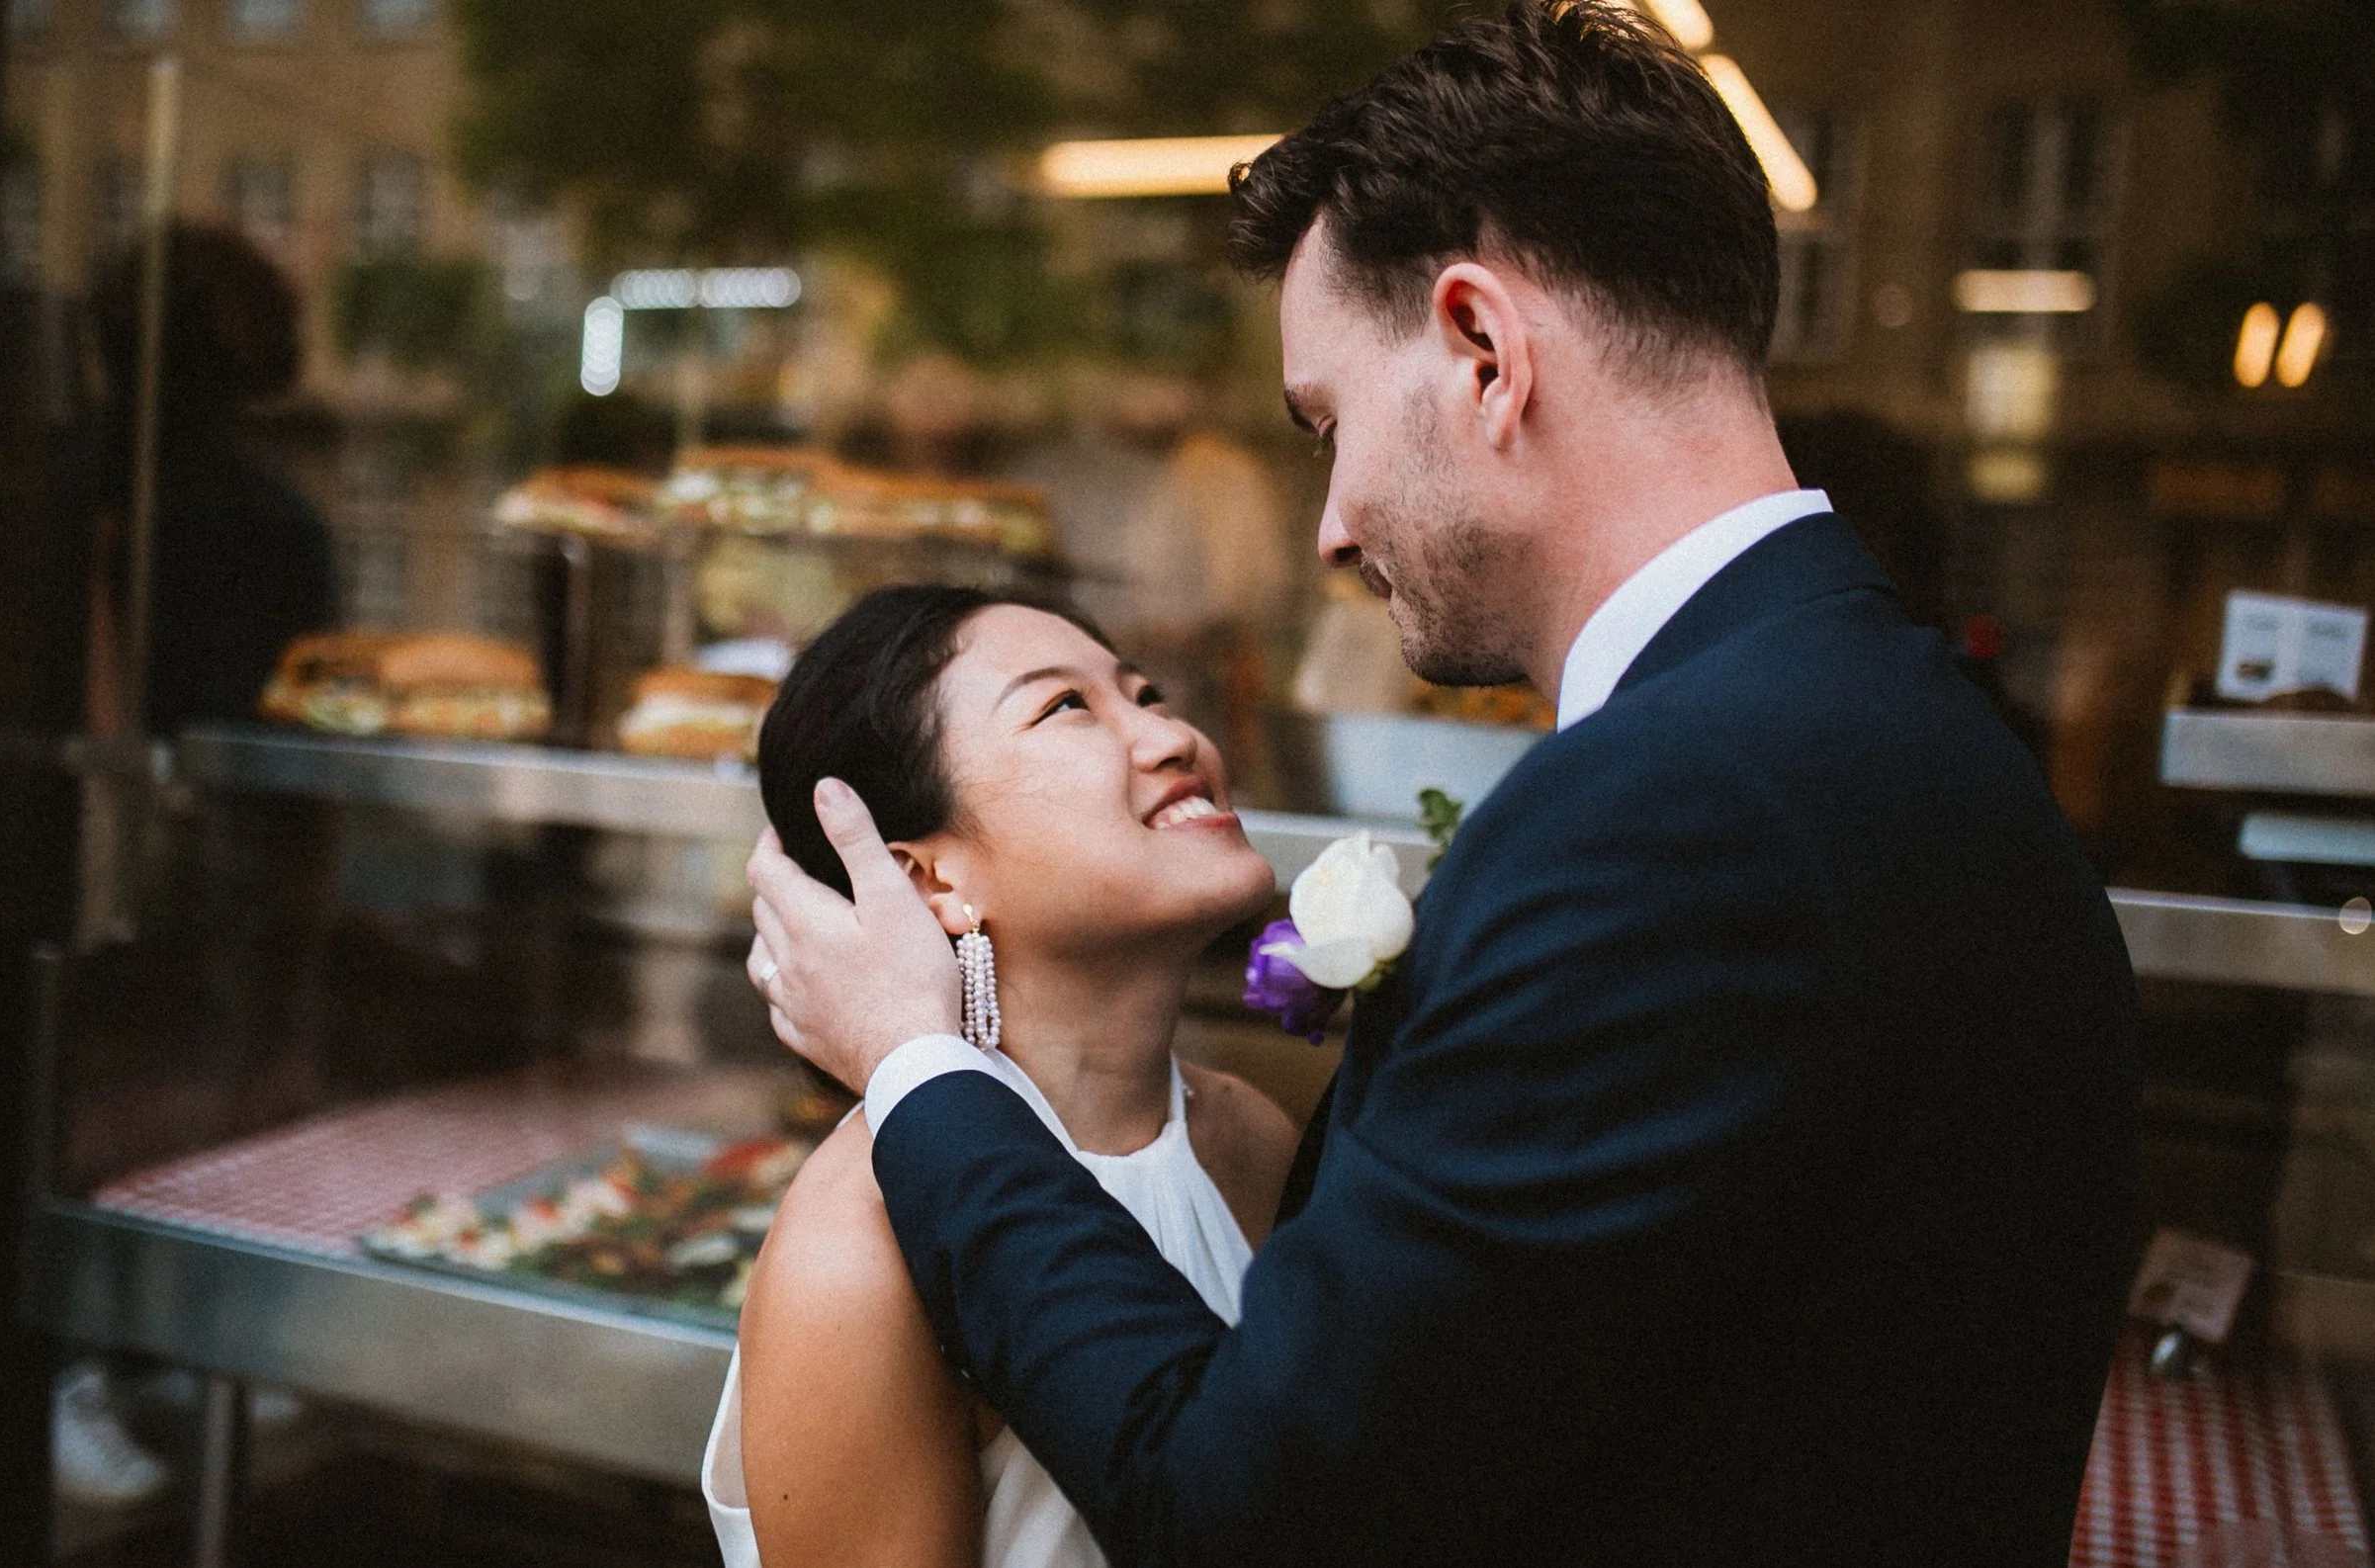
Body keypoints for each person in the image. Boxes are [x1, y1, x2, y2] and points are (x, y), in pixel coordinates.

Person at [744, 5, 2143, 1565]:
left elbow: (1248, 1507)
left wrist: (925, 1068)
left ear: (1483, 349)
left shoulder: (1670, 813)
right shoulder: (1905, 732)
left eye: (1328, 424)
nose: (1333, 527)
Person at [709, 585, 1300, 1566]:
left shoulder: (1252, 1133)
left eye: (1145, 693)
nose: (1172, 735)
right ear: (928, 878)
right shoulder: (862, 1246)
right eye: (1065, 705)